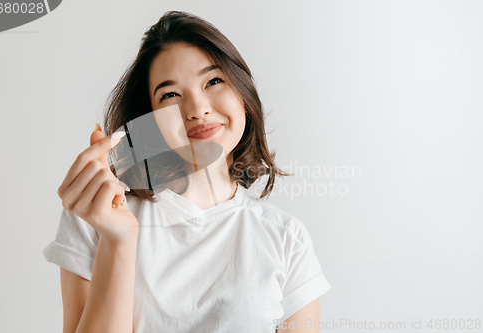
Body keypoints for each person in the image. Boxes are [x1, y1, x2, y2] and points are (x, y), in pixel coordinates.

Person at [43, 10, 331, 333]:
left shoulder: (286, 239)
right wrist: (118, 241)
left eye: (214, 81)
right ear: (149, 118)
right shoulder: (100, 214)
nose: (198, 109)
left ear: (243, 91)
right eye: (170, 95)